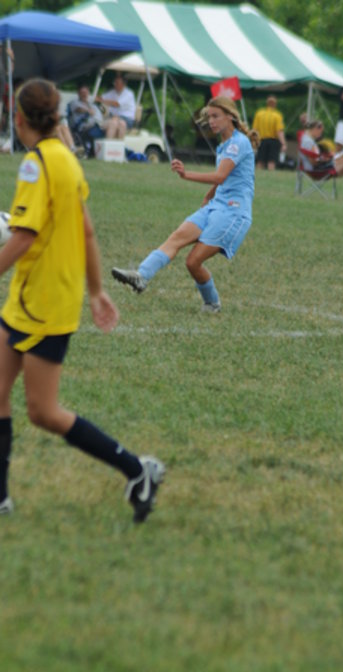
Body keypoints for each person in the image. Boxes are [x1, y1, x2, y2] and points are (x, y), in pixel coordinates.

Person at [0, 78, 164, 521]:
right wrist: (95, 291)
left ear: (19, 118)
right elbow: (87, 230)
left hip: (44, 304)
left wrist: (94, 291)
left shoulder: (36, 164)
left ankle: (137, 470)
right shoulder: (66, 158)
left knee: (44, 412)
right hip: (31, 298)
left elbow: (23, 236)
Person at [111, 96, 259, 312]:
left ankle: (212, 303)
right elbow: (227, 178)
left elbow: (220, 176)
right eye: (209, 117)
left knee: (193, 262)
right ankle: (141, 276)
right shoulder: (224, 145)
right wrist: (209, 196)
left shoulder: (239, 143)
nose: (211, 121)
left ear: (230, 117)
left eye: (216, 116)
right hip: (216, 206)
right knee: (176, 237)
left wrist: (186, 174)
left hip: (233, 213)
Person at [68, 84, 105, 157]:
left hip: (99, 124)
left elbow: (101, 116)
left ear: (88, 93)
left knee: (117, 123)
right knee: (113, 123)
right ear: (78, 93)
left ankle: (110, 151)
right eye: (82, 92)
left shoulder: (92, 105)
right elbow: (78, 109)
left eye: (86, 92)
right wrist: (87, 111)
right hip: (85, 126)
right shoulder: (75, 103)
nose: (84, 94)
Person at [96, 73, 136, 140]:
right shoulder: (112, 92)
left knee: (118, 122)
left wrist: (102, 101)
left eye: (117, 83)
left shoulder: (129, 94)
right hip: (115, 117)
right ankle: (111, 143)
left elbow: (116, 104)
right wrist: (96, 98)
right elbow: (101, 97)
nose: (115, 84)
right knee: (115, 122)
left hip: (127, 119)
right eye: (115, 82)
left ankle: (113, 143)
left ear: (123, 84)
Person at [252, 95, 286, 170]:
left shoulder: (259, 114)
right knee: (272, 161)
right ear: (275, 104)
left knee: (260, 161)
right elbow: (279, 131)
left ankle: (258, 175)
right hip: (273, 141)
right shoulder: (277, 115)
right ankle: (271, 175)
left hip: (261, 140)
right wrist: (283, 143)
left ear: (267, 103)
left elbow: (255, 130)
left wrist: (253, 141)